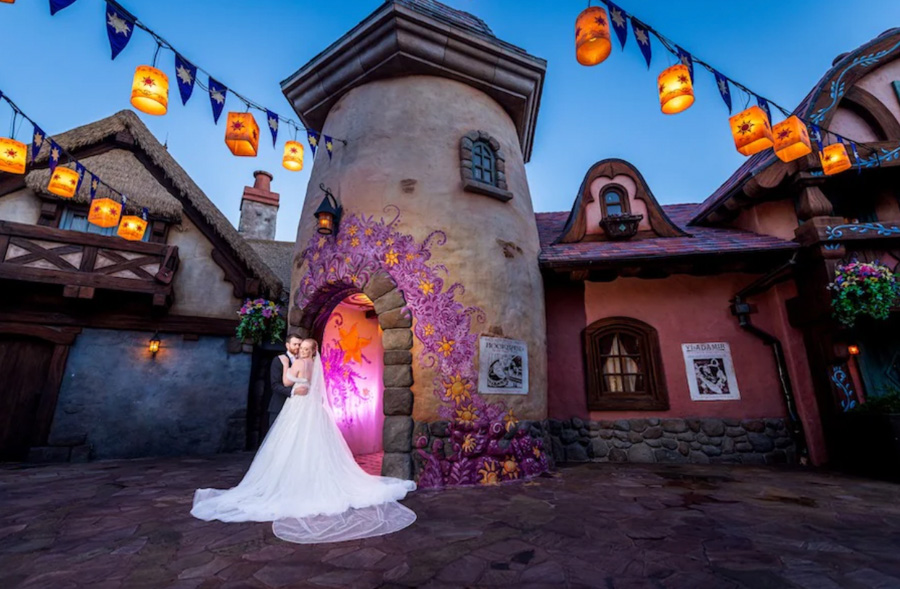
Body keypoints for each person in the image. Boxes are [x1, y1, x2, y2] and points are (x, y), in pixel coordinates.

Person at [191, 338, 416, 544]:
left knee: (291, 444)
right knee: (313, 445)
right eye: (299, 347)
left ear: (307, 350)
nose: (300, 350)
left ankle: (290, 481)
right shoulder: (315, 365)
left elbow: (286, 383)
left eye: (303, 348)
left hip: (298, 407)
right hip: (312, 408)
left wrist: (289, 369)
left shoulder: (297, 363)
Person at [267, 335, 301, 430]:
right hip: (279, 406)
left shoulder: (303, 362)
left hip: (297, 408)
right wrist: (293, 392)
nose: (298, 347)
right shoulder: (279, 360)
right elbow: (275, 385)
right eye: (295, 344)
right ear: (287, 345)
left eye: (299, 344)